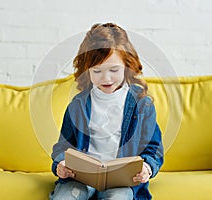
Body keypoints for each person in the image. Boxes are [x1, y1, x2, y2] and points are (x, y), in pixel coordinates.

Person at [50, 22, 163, 200]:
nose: (106, 78)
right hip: (80, 179)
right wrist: (60, 164)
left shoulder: (142, 105)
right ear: (86, 71)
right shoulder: (78, 105)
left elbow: (153, 149)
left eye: (114, 69)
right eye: (97, 71)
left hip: (121, 182)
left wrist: (147, 168)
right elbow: (62, 147)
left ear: (127, 65)